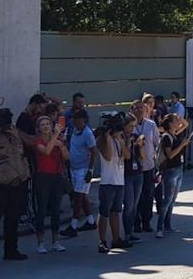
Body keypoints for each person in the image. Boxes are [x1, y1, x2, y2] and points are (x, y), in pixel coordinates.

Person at [0, 108, 30, 265]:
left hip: (16, 181)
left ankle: (11, 250)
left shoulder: (14, 133)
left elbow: (26, 146)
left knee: (13, 219)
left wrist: (14, 133)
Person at [32, 115, 69, 255]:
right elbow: (46, 151)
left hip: (57, 176)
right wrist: (56, 137)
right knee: (42, 209)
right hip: (43, 177)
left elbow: (67, 157)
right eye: (43, 125)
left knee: (56, 209)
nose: (46, 126)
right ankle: (40, 242)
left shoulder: (57, 140)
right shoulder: (38, 141)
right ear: (39, 128)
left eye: (48, 123)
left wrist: (62, 146)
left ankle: (56, 241)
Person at [96, 114, 131, 254]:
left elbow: (127, 156)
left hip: (119, 181)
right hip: (107, 182)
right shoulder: (102, 140)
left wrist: (120, 140)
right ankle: (102, 241)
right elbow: (108, 156)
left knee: (116, 212)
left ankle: (116, 239)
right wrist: (108, 137)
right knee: (104, 213)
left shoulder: (119, 139)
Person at [155, 113, 191, 238]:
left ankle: (167, 225)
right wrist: (183, 144)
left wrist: (179, 118)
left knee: (173, 199)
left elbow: (186, 124)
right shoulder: (166, 137)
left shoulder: (173, 134)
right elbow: (169, 155)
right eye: (175, 120)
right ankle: (159, 227)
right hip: (170, 170)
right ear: (170, 123)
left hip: (178, 169)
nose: (178, 122)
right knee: (167, 199)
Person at [64, 109, 97, 237]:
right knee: (82, 196)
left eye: (77, 119)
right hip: (74, 167)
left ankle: (73, 225)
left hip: (83, 169)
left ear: (83, 120)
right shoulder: (73, 131)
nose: (75, 121)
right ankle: (90, 221)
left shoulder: (88, 134)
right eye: (74, 119)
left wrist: (90, 170)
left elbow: (93, 152)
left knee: (78, 197)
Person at [135, 97, 161, 234]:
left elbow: (157, 143)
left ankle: (146, 222)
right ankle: (136, 223)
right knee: (136, 197)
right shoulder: (129, 125)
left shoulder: (151, 125)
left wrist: (157, 161)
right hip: (134, 168)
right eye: (137, 108)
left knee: (148, 195)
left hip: (149, 166)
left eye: (142, 108)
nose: (140, 110)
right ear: (131, 110)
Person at [122, 106, 146, 243]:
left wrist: (141, 145)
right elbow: (125, 156)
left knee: (135, 205)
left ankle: (130, 233)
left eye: (134, 126)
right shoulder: (120, 138)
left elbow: (142, 156)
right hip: (126, 174)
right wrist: (129, 143)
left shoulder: (136, 137)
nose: (132, 129)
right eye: (130, 126)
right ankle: (126, 234)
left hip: (138, 173)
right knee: (129, 205)